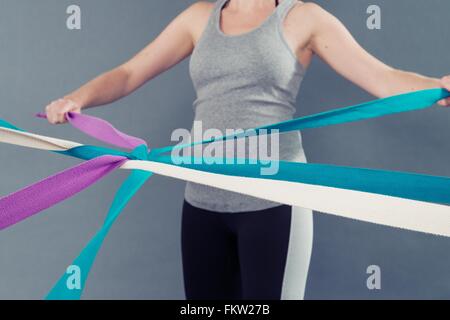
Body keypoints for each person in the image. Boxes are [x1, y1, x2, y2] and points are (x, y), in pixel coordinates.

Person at [44, 0, 450, 300]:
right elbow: (129, 72)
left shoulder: (303, 18)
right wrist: (76, 98)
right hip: (202, 204)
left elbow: (382, 78)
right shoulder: (198, 18)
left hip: (275, 203)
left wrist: (437, 86)